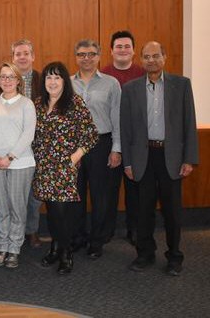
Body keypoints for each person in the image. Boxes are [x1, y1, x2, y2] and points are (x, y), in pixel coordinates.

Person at [121, 41, 198, 276]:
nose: (151, 60)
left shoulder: (181, 85)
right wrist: (128, 162)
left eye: (156, 55)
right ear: (141, 60)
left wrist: (189, 159)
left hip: (171, 157)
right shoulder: (131, 89)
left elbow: (189, 124)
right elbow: (126, 129)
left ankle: (174, 256)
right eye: (146, 56)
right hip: (143, 157)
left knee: (172, 211)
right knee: (143, 210)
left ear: (164, 57)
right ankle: (145, 253)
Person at [33, 62, 98, 275]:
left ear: (64, 81)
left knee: (62, 213)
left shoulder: (74, 103)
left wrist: (75, 157)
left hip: (64, 167)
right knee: (51, 211)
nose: (52, 82)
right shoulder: (38, 103)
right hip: (44, 167)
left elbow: (90, 133)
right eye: (49, 77)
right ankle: (55, 246)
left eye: (57, 77)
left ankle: (65, 252)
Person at [70, 39, 122, 259]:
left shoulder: (111, 83)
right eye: (82, 54)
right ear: (76, 57)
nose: (87, 58)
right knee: (76, 194)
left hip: (102, 144)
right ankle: (78, 237)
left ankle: (97, 240)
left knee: (101, 195)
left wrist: (116, 149)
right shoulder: (67, 82)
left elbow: (117, 118)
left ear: (100, 56)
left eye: (91, 54)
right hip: (74, 145)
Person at [0, 62, 36, 269]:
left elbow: (28, 134)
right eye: (3, 77)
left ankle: (14, 249)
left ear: (18, 80)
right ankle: (2, 246)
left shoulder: (26, 104)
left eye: (10, 77)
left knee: (17, 207)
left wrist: (10, 157)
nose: (6, 80)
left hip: (20, 163)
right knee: (1, 207)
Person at [101, 30, 145, 245]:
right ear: (111, 51)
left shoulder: (143, 74)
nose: (123, 50)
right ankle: (106, 230)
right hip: (110, 142)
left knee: (135, 188)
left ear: (133, 51)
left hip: (136, 142)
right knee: (109, 190)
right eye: (118, 46)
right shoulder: (103, 75)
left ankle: (134, 230)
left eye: (127, 46)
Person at [10, 39, 49, 248]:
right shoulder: (6, 80)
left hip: (38, 146)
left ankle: (31, 231)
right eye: (18, 54)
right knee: (15, 195)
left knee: (35, 194)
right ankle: (14, 233)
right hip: (12, 147)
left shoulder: (45, 80)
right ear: (13, 58)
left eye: (26, 53)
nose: (22, 57)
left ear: (33, 56)